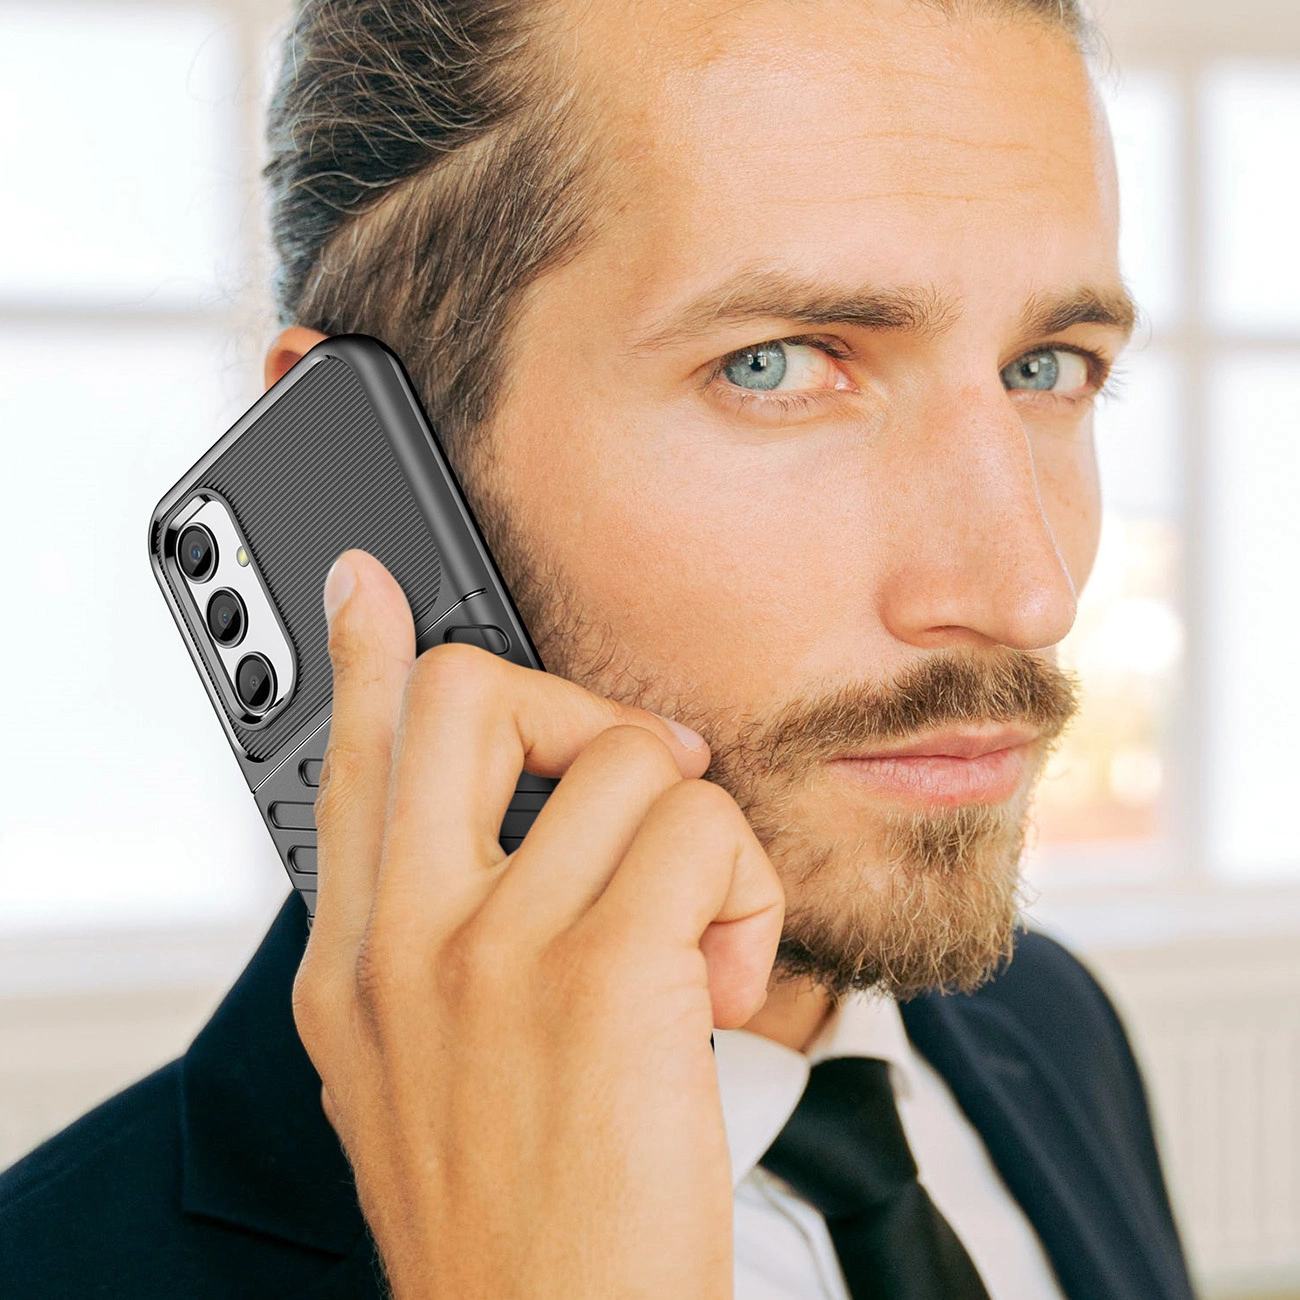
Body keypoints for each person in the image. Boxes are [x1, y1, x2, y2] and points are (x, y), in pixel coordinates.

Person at [0, 0, 1197, 1296]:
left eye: (1048, 368)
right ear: (346, 477)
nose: (1029, 593)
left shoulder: (1053, 1034)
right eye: (775, 364)